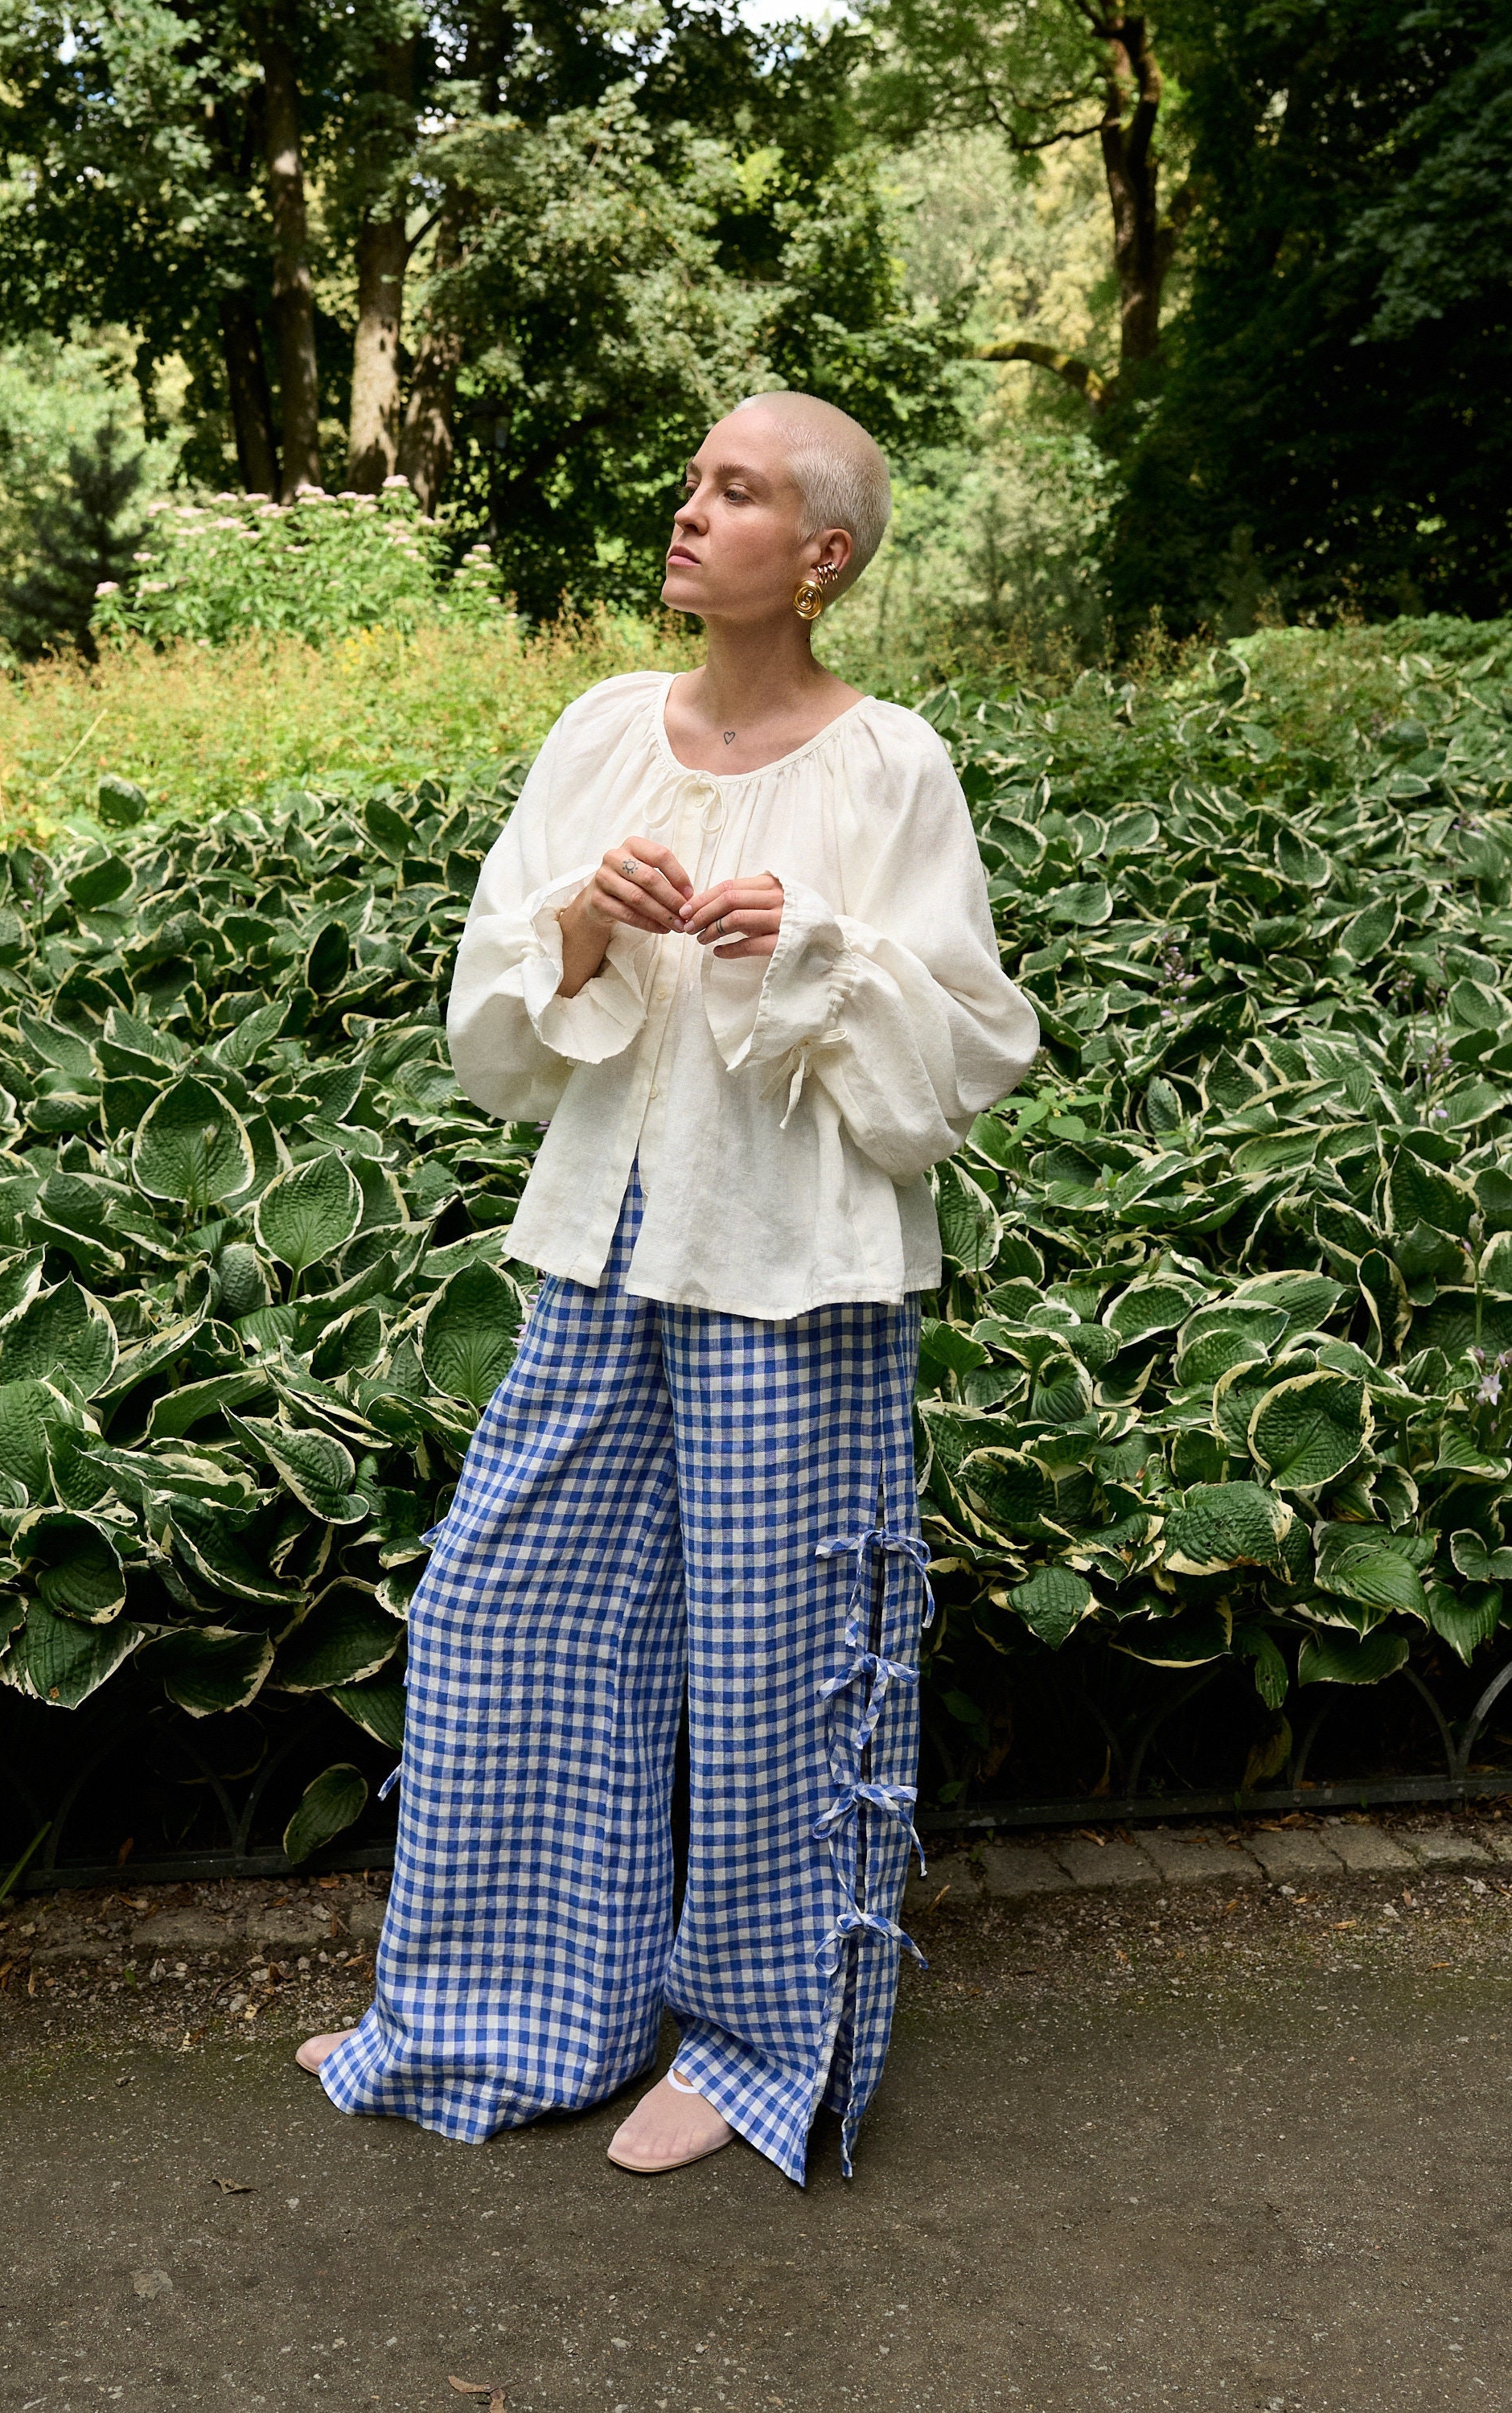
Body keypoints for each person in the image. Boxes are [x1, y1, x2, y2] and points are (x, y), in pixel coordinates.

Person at [296, 390, 1038, 2184]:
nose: (689, 509)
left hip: (796, 1270)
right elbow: (496, 1035)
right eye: (692, 478)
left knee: (778, 1659)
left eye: (737, 490)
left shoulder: (891, 766)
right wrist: (577, 922)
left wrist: (818, 945)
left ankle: (759, 2047)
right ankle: (498, 2011)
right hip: (604, 1248)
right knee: (507, 1617)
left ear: (823, 555)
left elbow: (962, 1060)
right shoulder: (602, 731)